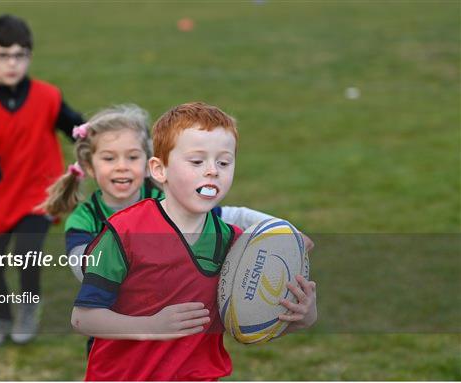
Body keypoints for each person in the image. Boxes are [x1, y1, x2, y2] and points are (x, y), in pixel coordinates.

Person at [70, 102, 317, 380]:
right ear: (159, 170)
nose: (212, 171)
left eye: (223, 162)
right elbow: (83, 318)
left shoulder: (236, 246)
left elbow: (249, 325)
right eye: (197, 161)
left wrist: (303, 316)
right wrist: (152, 326)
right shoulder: (124, 231)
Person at [0, 14, 83, 347]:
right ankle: (1, 318)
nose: (11, 63)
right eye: (2, 55)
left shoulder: (48, 97)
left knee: (27, 256)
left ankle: (28, 313)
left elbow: (76, 127)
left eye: (19, 54)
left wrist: (95, 141)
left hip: (37, 197)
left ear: (29, 56)